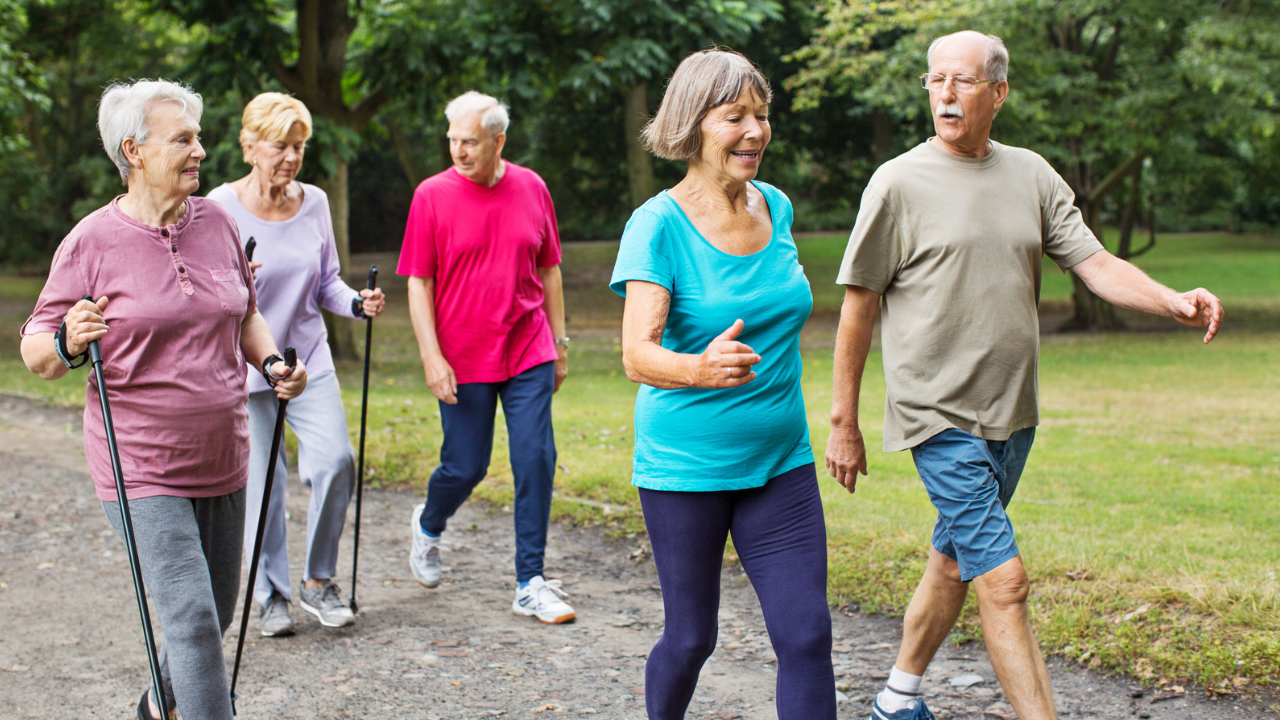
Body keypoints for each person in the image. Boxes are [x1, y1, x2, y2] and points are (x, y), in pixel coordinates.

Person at [826, 31, 1224, 720]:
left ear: (999, 92)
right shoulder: (897, 182)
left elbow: (1095, 263)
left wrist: (1170, 300)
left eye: (963, 81)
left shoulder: (1032, 174)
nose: (945, 93)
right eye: (935, 80)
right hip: (936, 414)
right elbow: (858, 304)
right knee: (1004, 581)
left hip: (1013, 414)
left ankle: (895, 700)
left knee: (955, 560)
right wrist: (844, 422)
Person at [19, 79, 307, 720]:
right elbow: (36, 348)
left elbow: (246, 315)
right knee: (193, 617)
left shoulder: (217, 223)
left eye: (198, 137)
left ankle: (157, 707)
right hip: (141, 463)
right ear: (135, 151)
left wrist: (273, 362)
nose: (201, 150)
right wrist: (68, 341)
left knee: (218, 611)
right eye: (184, 139)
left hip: (224, 453)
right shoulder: (92, 241)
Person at [610, 49, 836, 720]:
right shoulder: (658, 225)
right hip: (686, 468)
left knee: (807, 635)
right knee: (689, 638)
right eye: (735, 116)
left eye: (761, 116)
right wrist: (697, 369)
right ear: (693, 124)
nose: (755, 132)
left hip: (780, 463)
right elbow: (634, 354)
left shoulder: (778, 209)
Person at [207, 92, 386, 636]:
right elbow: (204, 290)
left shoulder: (315, 203)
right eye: (281, 146)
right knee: (263, 486)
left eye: (299, 146)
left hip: (308, 357)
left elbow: (327, 279)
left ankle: (317, 581)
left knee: (336, 461)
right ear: (250, 146)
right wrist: (234, 280)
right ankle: (271, 595)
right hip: (247, 367)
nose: (291, 157)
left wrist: (356, 302)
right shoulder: (219, 206)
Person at [399, 91, 572, 623]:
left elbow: (550, 270)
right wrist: (431, 356)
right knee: (466, 466)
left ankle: (530, 581)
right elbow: (418, 283)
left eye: (469, 141)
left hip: (527, 347)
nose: (457, 150)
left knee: (535, 458)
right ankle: (429, 525)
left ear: (499, 141)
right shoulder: (431, 195)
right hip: (463, 355)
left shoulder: (532, 187)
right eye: (451, 139)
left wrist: (559, 344)